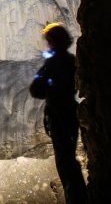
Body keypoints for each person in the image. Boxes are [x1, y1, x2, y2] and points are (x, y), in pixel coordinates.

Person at [30, 23, 87, 204]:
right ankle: (80, 196)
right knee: (69, 158)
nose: (47, 44)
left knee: (65, 161)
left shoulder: (53, 62)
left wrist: (45, 80)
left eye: (49, 40)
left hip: (58, 114)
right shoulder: (71, 60)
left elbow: (36, 89)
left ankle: (77, 198)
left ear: (53, 41)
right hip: (70, 112)